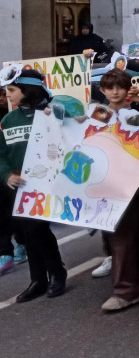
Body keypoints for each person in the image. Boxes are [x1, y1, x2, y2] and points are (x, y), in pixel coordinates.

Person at [0, 70, 68, 303]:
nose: (7, 95)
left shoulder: (53, 113)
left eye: (11, 90)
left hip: (50, 184)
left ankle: (56, 272)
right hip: (19, 187)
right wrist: (7, 174)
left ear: (27, 90)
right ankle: (38, 279)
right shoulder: (7, 121)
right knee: (28, 233)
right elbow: (1, 155)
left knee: (36, 229)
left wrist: (59, 114)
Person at [95, 69, 139, 312]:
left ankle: (126, 290)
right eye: (109, 87)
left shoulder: (134, 114)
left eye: (119, 86)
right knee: (120, 235)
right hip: (104, 181)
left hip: (129, 181)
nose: (115, 91)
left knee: (121, 235)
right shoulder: (97, 114)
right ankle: (137, 283)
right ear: (102, 90)